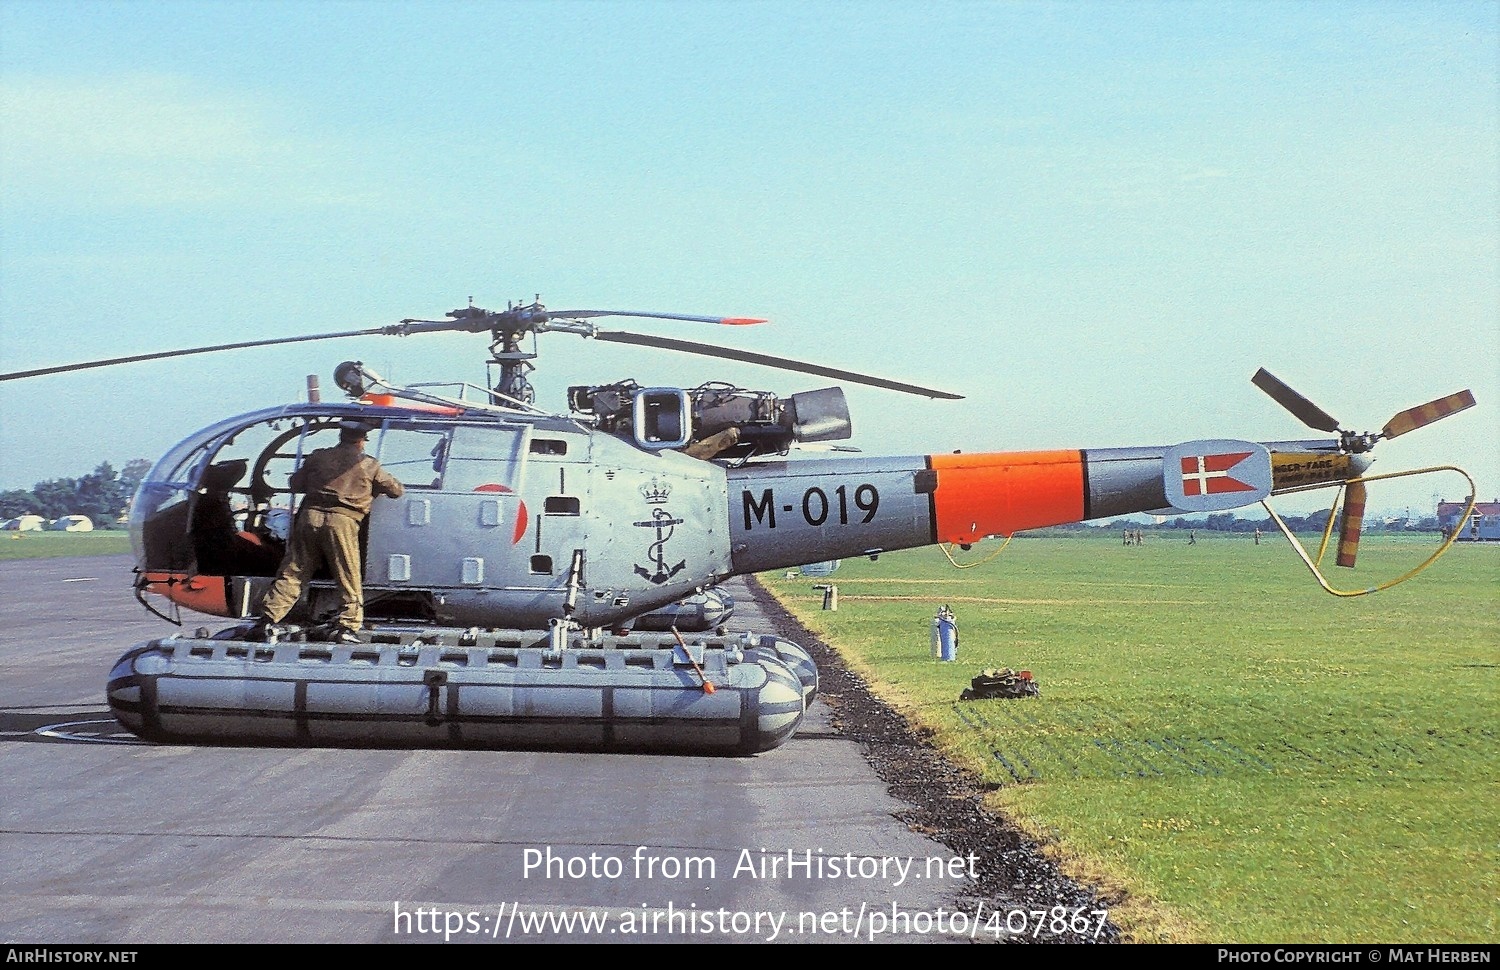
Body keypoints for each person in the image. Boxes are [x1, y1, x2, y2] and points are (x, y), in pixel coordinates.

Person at [251, 419, 404, 643]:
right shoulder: (370, 465)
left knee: (294, 570)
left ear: (340, 436)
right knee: (347, 574)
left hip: (309, 517)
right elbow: (396, 491)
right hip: (343, 521)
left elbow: (296, 484)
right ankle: (348, 626)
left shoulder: (318, 456)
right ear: (362, 441)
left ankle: (266, 619)